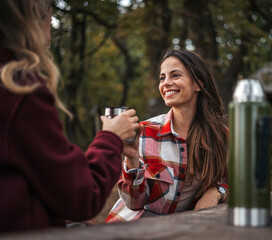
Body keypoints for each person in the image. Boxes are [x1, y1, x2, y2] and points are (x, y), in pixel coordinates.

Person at [0, 0, 139, 233]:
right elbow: (82, 197)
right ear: (31, 24)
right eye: (48, 25)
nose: (49, 39)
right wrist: (111, 138)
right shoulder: (19, 91)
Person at [106, 49, 228, 223]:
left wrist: (217, 191)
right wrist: (131, 159)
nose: (166, 83)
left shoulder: (219, 135)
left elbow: (234, 182)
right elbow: (133, 203)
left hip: (176, 231)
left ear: (198, 85)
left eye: (175, 75)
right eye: (162, 78)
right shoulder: (145, 132)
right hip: (129, 228)